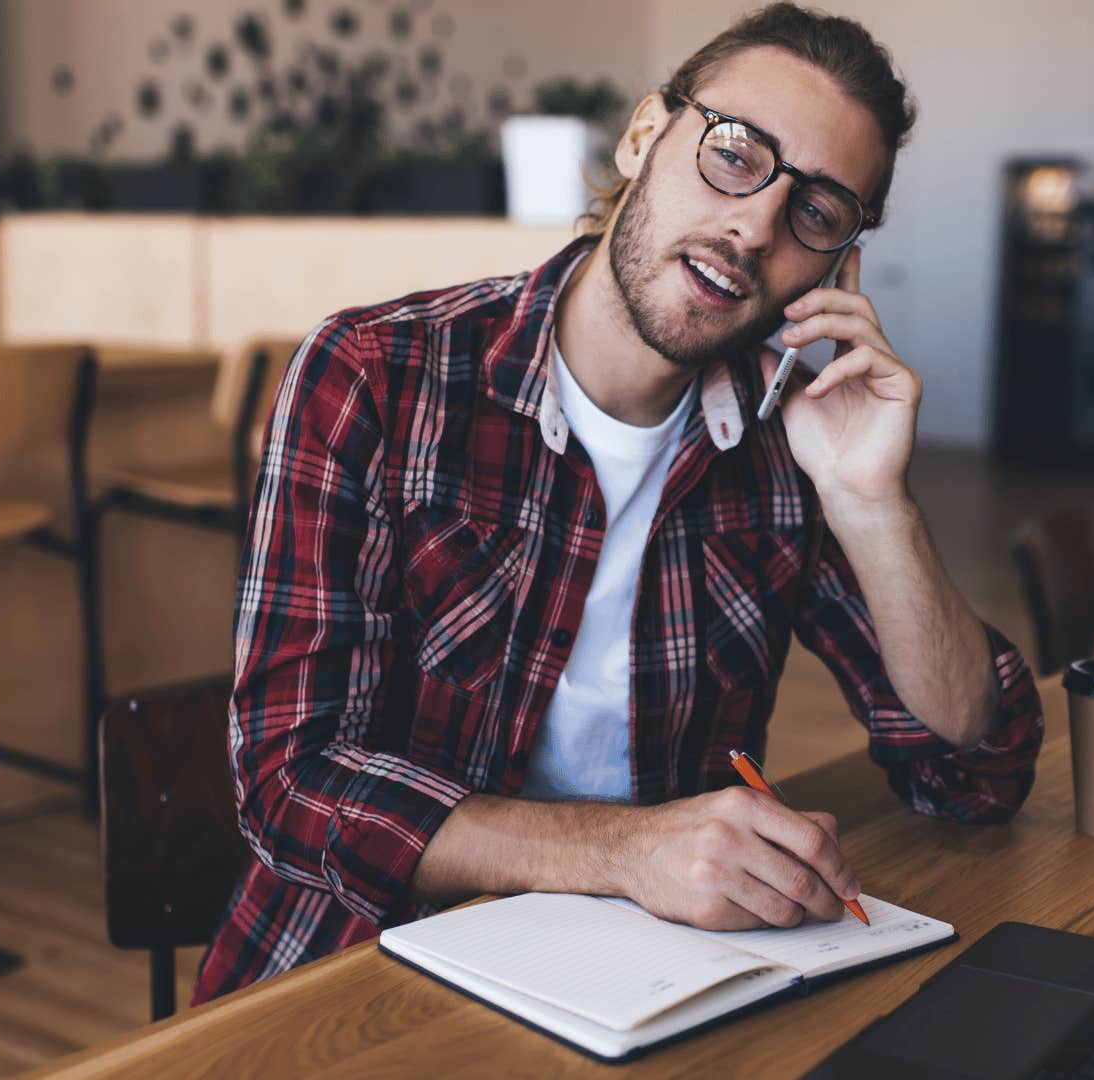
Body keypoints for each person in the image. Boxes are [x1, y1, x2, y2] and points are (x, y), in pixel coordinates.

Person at [194, 2, 1043, 1002]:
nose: (755, 223)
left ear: (837, 265)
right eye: (735, 153)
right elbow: (292, 782)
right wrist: (629, 851)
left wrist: (870, 501)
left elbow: (970, 768)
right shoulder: (377, 375)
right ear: (645, 134)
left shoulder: (787, 445)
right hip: (355, 977)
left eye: (816, 211)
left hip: (646, 991)